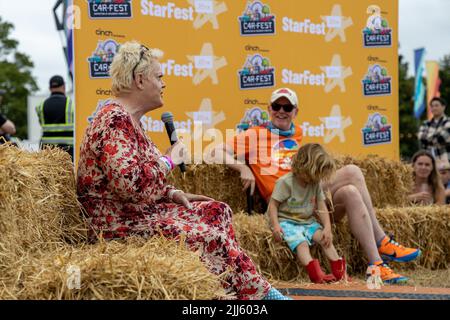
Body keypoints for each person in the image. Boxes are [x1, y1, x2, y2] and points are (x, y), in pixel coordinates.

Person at [76, 41, 291, 300]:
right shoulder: (114, 120)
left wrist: (172, 193)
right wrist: (169, 161)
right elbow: (128, 184)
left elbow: (138, 177)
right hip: (116, 224)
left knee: (217, 210)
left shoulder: (130, 120)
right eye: (159, 77)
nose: (163, 84)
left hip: (137, 212)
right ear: (140, 80)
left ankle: (228, 291)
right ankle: (258, 295)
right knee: (208, 235)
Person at [219, 87, 421, 284]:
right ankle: (383, 241)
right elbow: (216, 151)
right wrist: (242, 168)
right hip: (287, 204)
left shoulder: (296, 133)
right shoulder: (255, 134)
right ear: (269, 109)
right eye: (276, 106)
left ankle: (376, 265)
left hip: (308, 200)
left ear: (295, 112)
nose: (281, 111)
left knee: (350, 192)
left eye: (287, 108)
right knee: (352, 172)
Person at [268, 143, 349, 283]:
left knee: (325, 240)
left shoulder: (314, 182)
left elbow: (321, 204)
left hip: (307, 221)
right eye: (315, 173)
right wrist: (276, 226)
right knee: (302, 243)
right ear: (304, 166)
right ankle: (316, 274)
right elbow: (273, 205)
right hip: (287, 222)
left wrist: (327, 227)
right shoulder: (285, 182)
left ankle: (341, 273)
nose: (317, 178)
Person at [36, 75, 74, 161]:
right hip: (67, 150)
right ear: (64, 86)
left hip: (47, 149)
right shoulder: (71, 104)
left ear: (50, 88)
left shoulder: (41, 105)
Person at [418, 97, 450, 163]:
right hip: (430, 162)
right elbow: (421, 138)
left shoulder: (448, 121)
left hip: (446, 160)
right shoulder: (426, 123)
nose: (434, 108)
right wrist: (437, 135)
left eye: (436, 105)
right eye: (432, 106)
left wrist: (428, 138)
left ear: (443, 107)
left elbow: (443, 138)